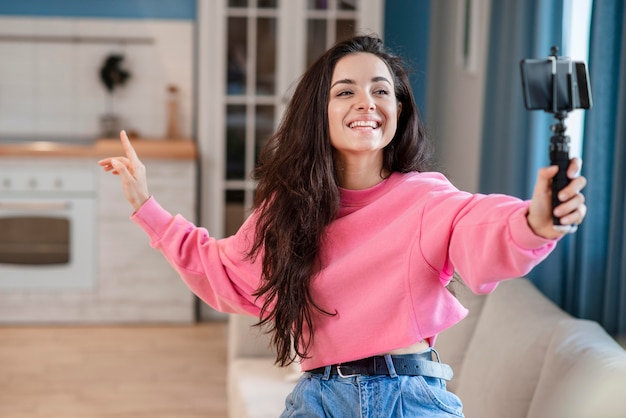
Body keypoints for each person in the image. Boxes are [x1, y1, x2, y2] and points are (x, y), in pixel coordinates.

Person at [98, 35, 587, 417]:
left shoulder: (426, 198)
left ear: (399, 109)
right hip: (318, 401)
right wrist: (146, 204)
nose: (366, 102)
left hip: (410, 400)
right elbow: (222, 271)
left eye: (381, 91)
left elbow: (485, 228)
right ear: (321, 112)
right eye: (346, 91)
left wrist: (535, 221)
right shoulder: (286, 213)